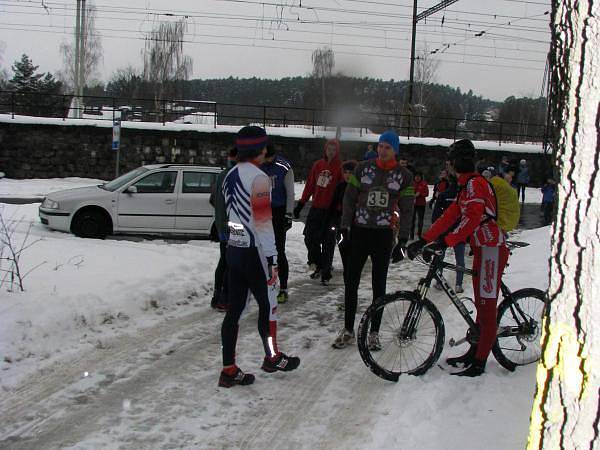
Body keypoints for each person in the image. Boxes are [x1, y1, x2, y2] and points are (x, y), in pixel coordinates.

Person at [407, 139, 509, 377]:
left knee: (486, 308)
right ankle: (474, 352)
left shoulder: (475, 185)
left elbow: (471, 219)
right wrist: (424, 240)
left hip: (491, 250)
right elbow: (449, 217)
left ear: (454, 163)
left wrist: (446, 241)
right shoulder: (466, 187)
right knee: (482, 304)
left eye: (450, 162)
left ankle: (480, 362)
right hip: (483, 249)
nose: (449, 166)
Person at [219, 126, 300, 388]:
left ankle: (228, 369)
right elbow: (264, 223)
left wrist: (234, 241)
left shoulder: (229, 175)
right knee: (268, 305)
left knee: (234, 310)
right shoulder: (259, 178)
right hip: (255, 253)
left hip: (235, 249)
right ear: (259, 150)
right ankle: (272, 356)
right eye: (265, 147)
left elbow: (231, 215)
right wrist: (272, 258)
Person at [332, 130, 414, 350]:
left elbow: (408, 209)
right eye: (380, 146)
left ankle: (374, 332)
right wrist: (344, 227)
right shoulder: (363, 168)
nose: (382, 150)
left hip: (383, 235)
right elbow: (349, 198)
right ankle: (348, 329)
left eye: (387, 147)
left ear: (394, 150)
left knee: (379, 284)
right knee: (352, 281)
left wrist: (403, 240)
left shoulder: (404, 176)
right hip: (360, 231)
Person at [294, 139, 343, 279]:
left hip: (332, 211)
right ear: (325, 150)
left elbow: (342, 190)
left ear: (337, 151)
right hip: (316, 208)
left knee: (328, 241)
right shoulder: (318, 165)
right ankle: (318, 263)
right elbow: (310, 185)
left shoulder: (340, 167)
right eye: (329, 149)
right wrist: (301, 204)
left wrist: (339, 208)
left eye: (334, 149)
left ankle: (326, 270)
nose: (331, 152)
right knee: (309, 238)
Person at [261, 145, 295, 304]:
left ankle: (283, 287)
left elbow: (290, 192)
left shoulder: (283, 167)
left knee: (279, 251)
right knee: (263, 251)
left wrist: (289, 214)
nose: (266, 160)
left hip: (279, 211)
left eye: (268, 157)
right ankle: (268, 284)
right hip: (262, 211)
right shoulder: (258, 165)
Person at [209, 147, 238, 311]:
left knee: (223, 261)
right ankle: (225, 299)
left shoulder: (221, 175)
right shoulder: (235, 176)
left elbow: (212, 199)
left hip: (221, 225)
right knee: (231, 263)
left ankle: (217, 295)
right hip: (233, 226)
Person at [322, 160, 358, 288]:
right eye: (345, 172)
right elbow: (332, 205)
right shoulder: (340, 186)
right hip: (340, 225)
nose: (347, 175)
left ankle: (350, 290)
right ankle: (346, 289)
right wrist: (328, 222)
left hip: (356, 228)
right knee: (344, 257)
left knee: (352, 261)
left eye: (351, 172)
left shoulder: (360, 188)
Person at [411, 172, 429, 240]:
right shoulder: (412, 183)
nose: (417, 178)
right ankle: (411, 235)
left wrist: (420, 194)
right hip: (413, 204)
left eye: (419, 176)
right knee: (412, 220)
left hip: (421, 204)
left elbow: (427, 194)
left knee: (420, 220)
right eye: (416, 176)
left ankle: (419, 234)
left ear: (421, 177)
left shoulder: (424, 184)